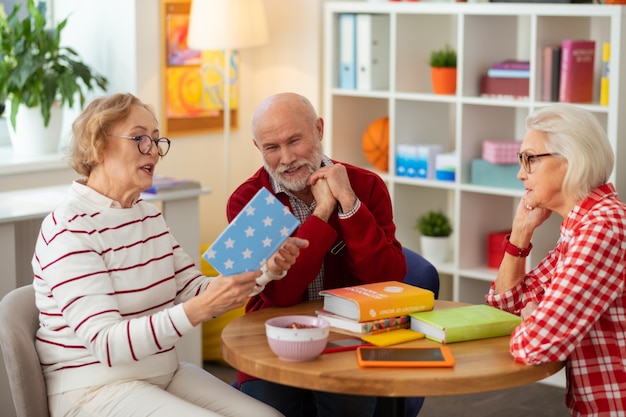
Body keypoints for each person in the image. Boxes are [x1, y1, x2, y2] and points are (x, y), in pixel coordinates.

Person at [32, 93, 308, 417]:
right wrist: (196, 310)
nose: (153, 151)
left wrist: (265, 270)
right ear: (98, 144)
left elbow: (195, 290)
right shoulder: (69, 228)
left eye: (156, 140)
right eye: (140, 139)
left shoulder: (147, 214)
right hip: (92, 389)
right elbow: (108, 344)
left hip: (162, 374)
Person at [226, 92, 407, 417]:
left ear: (319, 130)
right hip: (272, 339)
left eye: (295, 140)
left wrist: (349, 205)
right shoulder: (247, 202)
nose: (286, 158)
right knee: (267, 409)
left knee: (349, 404)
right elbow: (279, 295)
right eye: (271, 147)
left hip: (350, 335)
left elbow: (388, 280)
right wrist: (322, 211)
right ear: (258, 148)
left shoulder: (366, 186)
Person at [485, 103, 626, 416]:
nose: (521, 173)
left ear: (570, 161)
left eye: (529, 159)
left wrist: (534, 317)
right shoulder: (583, 225)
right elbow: (505, 306)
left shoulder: (603, 229)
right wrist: (520, 232)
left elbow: (535, 345)